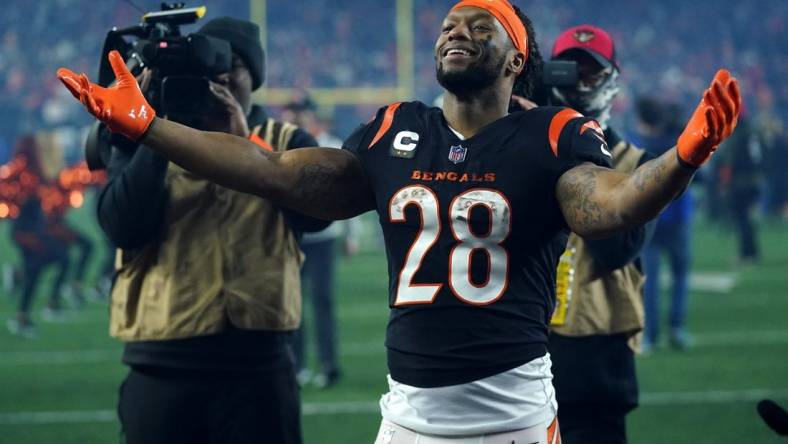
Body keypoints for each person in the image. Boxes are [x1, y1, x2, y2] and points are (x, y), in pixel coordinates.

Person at [57, 1, 741, 442]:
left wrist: (683, 156)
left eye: (481, 26)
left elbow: (609, 206)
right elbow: (272, 171)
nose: (455, 31)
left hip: (514, 419)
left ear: (518, 57)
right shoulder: (392, 130)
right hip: (407, 419)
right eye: (448, 23)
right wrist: (149, 127)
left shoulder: (554, 133)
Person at [91, 17, 327, 444]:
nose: (218, 74)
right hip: (162, 363)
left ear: (252, 77)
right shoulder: (140, 133)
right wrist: (157, 131)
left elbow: (318, 216)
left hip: (258, 365)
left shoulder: (286, 139)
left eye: (232, 64)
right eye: (208, 64)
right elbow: (123, 226)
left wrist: (248, 149)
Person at [535, 25, 656, 444]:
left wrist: (576, 150)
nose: (580, 81)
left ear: (613, 79)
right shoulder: (521, 142)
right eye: (569, 69)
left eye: (592, 71)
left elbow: (616, 250)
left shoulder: (637, 162)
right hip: (523, 348)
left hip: (596, 358)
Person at [282, 97, 361, 388]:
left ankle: (328, 365)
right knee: (294, 303)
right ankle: (297, 365)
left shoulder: (331, 144)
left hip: (324, 237)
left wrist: (350, 235)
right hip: (296, 235)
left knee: (322, 301)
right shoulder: (285, 144)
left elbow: (349, 193)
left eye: (300, 114)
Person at [635, 97, 696, 351]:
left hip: (651, 218)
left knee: (650, 278)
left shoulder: (640, 143)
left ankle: (649, 334)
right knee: (680, 275)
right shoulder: (679, 142)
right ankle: (676, 328)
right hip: (678, 217)